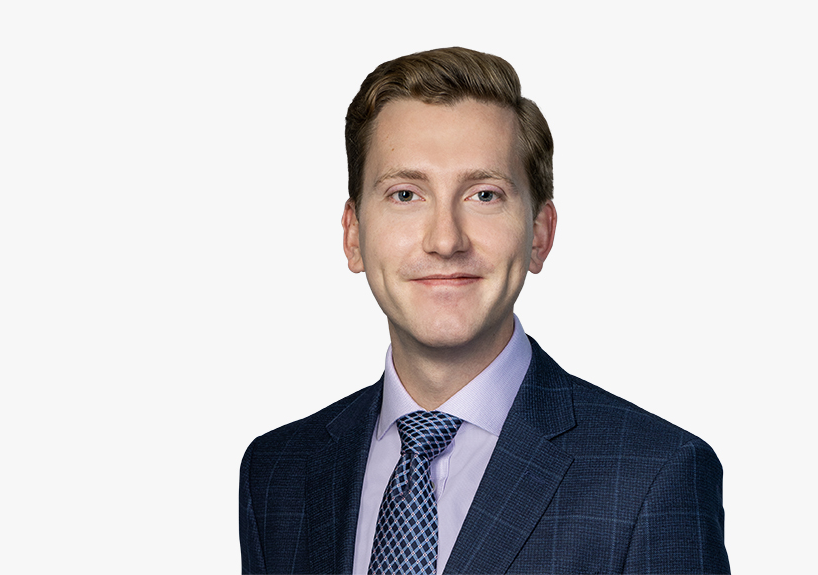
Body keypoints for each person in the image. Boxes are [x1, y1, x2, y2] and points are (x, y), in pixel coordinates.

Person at [239, 47, 730, 574]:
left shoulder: (653, 477)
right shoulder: (277, 473)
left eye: (484, 195)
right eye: (405, 194)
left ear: (539, 234)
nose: (445, 240)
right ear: (353, 235)